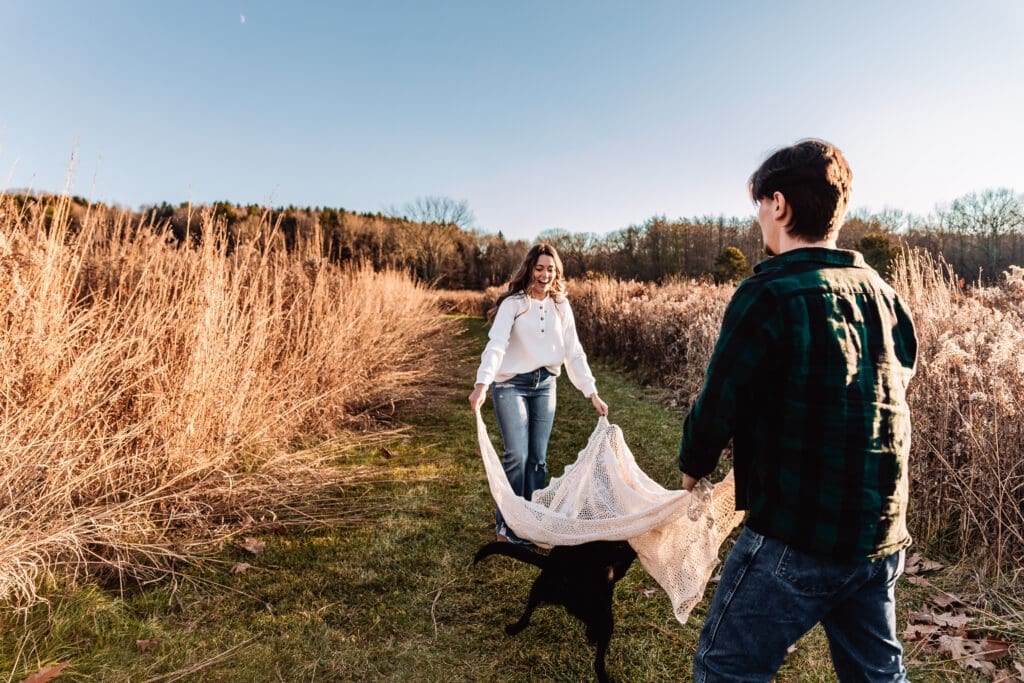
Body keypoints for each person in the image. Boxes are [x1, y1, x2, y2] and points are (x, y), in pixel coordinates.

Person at [677, 139, 918, 682]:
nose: (760, 218)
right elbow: (899, 382)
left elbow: (722, 396)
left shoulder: (770, 292)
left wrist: (693, 466)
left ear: (779, 205)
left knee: (724, 669)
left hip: (797, 534)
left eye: (760, 205)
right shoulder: (883, 294)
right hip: (879, 532)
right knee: (878, 675)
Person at [469, 243, 609, 544]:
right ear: (530, 269)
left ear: (556, 272)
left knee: (538, 460)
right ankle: (507, 525)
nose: (545, 274)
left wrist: (592, 392)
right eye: (540, 268)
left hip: (546, 384)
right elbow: (496, 345)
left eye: (551, 269)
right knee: (517, 456)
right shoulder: (514, 304)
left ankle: (532, 523)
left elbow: (574, 352)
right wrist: (482, 384)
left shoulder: (561, 306)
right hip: (511, 384)